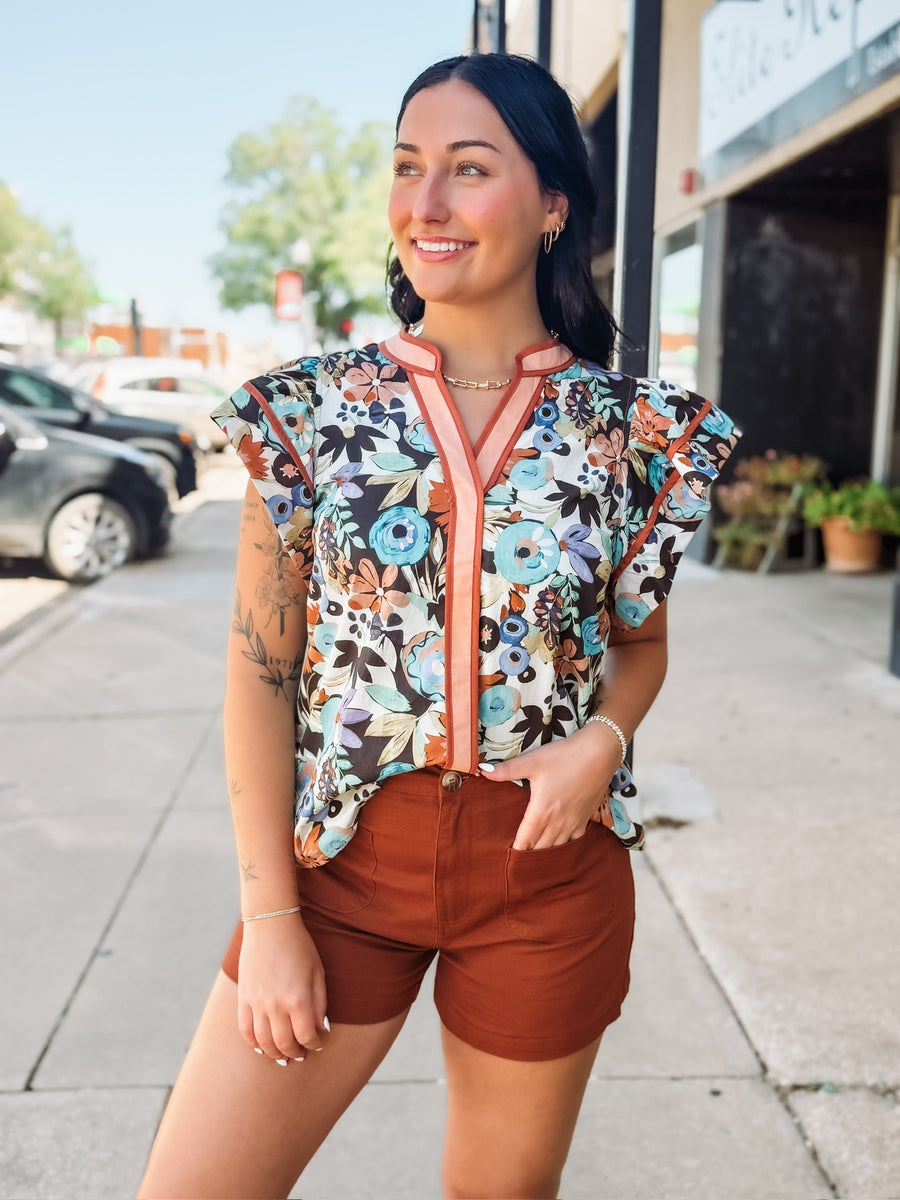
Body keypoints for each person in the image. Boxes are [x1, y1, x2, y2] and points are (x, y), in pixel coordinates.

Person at [138, 52, 740, 1200]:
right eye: (409, 168)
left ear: (553, 202)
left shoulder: (634, 436)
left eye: (469, 169)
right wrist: (271, 916)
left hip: (546, 883)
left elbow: (642, 647)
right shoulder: (313, 410)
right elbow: (262, 674)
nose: (426, 203)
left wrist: (601, 746)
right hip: (343, 875)